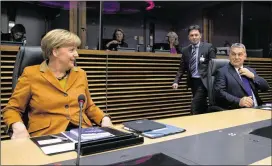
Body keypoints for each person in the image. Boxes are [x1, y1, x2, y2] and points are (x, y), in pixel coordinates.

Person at [3, 29, 113, 139]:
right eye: (72, 50)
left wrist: (104, 118)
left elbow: (89, 107)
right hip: (48, 136)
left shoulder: (80, 74)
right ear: (55, 52)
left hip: (82, 133)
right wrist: (18, 126)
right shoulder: (31, 74)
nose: (77, 54)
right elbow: (12, 109)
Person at [172, 25, 216, 115]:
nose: (194, 37)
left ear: (200, 36)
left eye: (196, 35)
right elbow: (182, 68)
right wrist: (176, 81)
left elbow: (214, 66)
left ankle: (193, 123)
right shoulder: (185, 50)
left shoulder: (208, 47)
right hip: (193, 82)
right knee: (202, 105)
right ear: (189, 37)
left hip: (204, 82)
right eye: (192, 35)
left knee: (195, 105)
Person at [213, 43, 270, 110]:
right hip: (239, 110)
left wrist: (253, 76)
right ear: (229, 56)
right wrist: (239, 101)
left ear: (245, 56)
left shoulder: (250, 70)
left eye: (239, 54)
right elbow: (219, 93)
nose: (236, 57)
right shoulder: (222, 72)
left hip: (258, 108)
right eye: (233, 54)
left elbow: (265, 87)